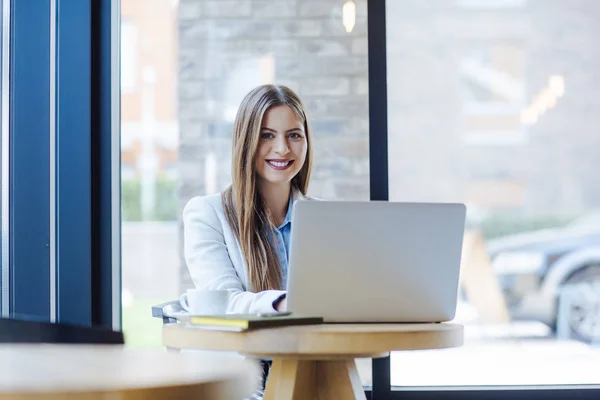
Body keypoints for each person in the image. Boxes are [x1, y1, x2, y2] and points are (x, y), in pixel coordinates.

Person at [182, 83, 314, 314]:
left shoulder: (326, 218)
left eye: (293, 135)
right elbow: (223, 304)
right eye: (267, 136)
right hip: (248, 351)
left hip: (317, 349)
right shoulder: (207, 215)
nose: (282, 149)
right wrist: (287, 303)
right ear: (246, 141)